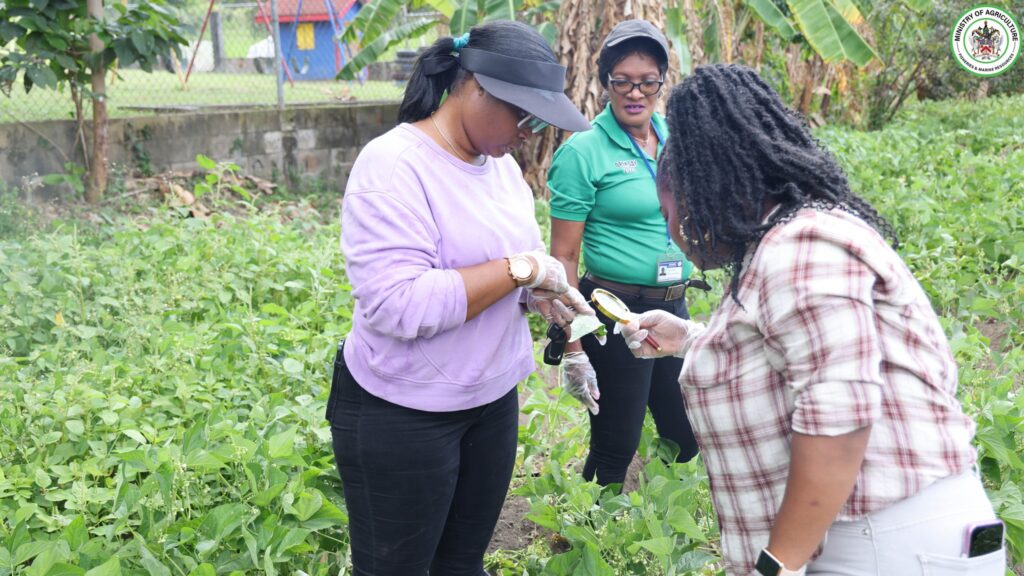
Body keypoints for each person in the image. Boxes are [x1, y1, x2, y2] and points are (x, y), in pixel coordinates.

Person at [623, 64, 1004, 575]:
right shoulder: (783, 245)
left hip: (885, 542)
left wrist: (777, 565)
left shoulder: (799, 246)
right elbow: (792, 352)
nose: (673, 234)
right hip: (872, 535)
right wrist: (689, 338)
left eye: (668, 214)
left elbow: (839, 420)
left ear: (699, 194)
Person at [325, 21, 594, 576]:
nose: (528, 132)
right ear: (472, 88)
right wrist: (520, 269)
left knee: (462, 563)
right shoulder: (394, 165)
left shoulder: (502, 171)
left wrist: (541, 298)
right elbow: (399, 304)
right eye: (522, 116)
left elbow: (508, 279)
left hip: (489, 402)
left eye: (537, 121)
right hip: (403, 412)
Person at [546, 19, 699, 487]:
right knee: (616, 441)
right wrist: (573, 343)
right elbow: (564, 259)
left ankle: (658, 519)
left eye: (648, 81)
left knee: (684, 435)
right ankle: (591, 536)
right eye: (623, 81)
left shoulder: (678, 137)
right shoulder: (583, 152)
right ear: (605, 82)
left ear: (661, 82)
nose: (636, 92)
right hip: (614, 308)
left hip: (674, 303)